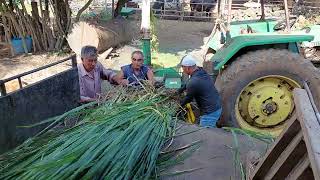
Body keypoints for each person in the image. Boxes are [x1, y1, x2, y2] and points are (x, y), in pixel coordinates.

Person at [178, 54, 222, 127]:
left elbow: (188, 99)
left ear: (188, 68)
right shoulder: (201, 71)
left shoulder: (193, 82)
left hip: (210, 113)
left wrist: (178, 106)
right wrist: (181, 90)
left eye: (183, 68)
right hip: (217, 107)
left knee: (205, 133)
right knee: (212, 129)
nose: (183, 70)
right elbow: (191, 81)